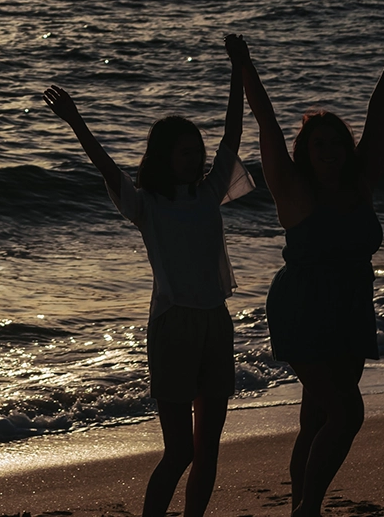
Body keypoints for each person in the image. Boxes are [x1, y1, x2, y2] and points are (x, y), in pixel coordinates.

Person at [43, 34, 256, 517]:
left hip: (215, 324)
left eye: (196, 152)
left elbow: (232, 134)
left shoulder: (208, 193)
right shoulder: (148, 206)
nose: (195, 158)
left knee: (209, 451)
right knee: (179, 450)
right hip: (174, 326)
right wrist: (75, 121)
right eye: (184, 152)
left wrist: (238, 70)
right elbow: (107, 168)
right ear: (163, 157)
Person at [240, 21, 384, 517]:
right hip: (303, 310)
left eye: (337, 143)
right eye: (319, 146)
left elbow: (381, 115)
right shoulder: (294, 191)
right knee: (348, 413)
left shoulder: (361, 184)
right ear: (305, 154)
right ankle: (307, 510)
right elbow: (266, 120)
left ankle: (300, 505)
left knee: (316, 419)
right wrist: (245, 65)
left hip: (352, 308)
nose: (330, 152)